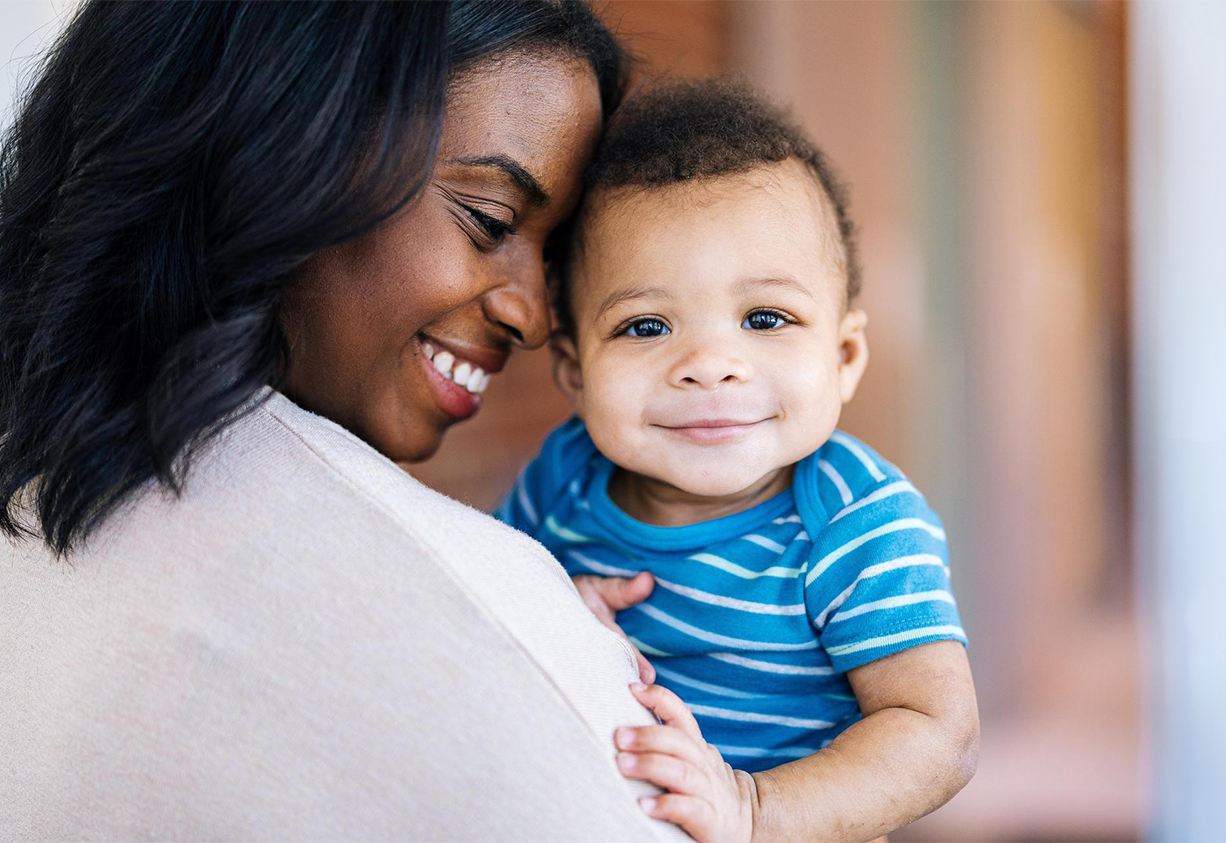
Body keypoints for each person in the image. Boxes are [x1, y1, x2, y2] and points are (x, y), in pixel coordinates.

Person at [0, 3, 687, 840]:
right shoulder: (485, 627)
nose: (533, 316)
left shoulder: (38, 494)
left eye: (551, 256)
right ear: (279, 145)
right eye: (491, 221)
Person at [494, 79, 979, 843]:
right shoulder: (562, 479)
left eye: (765, 317)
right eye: (647, 324)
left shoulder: (855, 520)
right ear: (575, 374)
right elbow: (481, 604)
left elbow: (938, 732)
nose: (711, 363)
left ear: (845, 354)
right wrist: (551, 610)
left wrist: (753, 808)